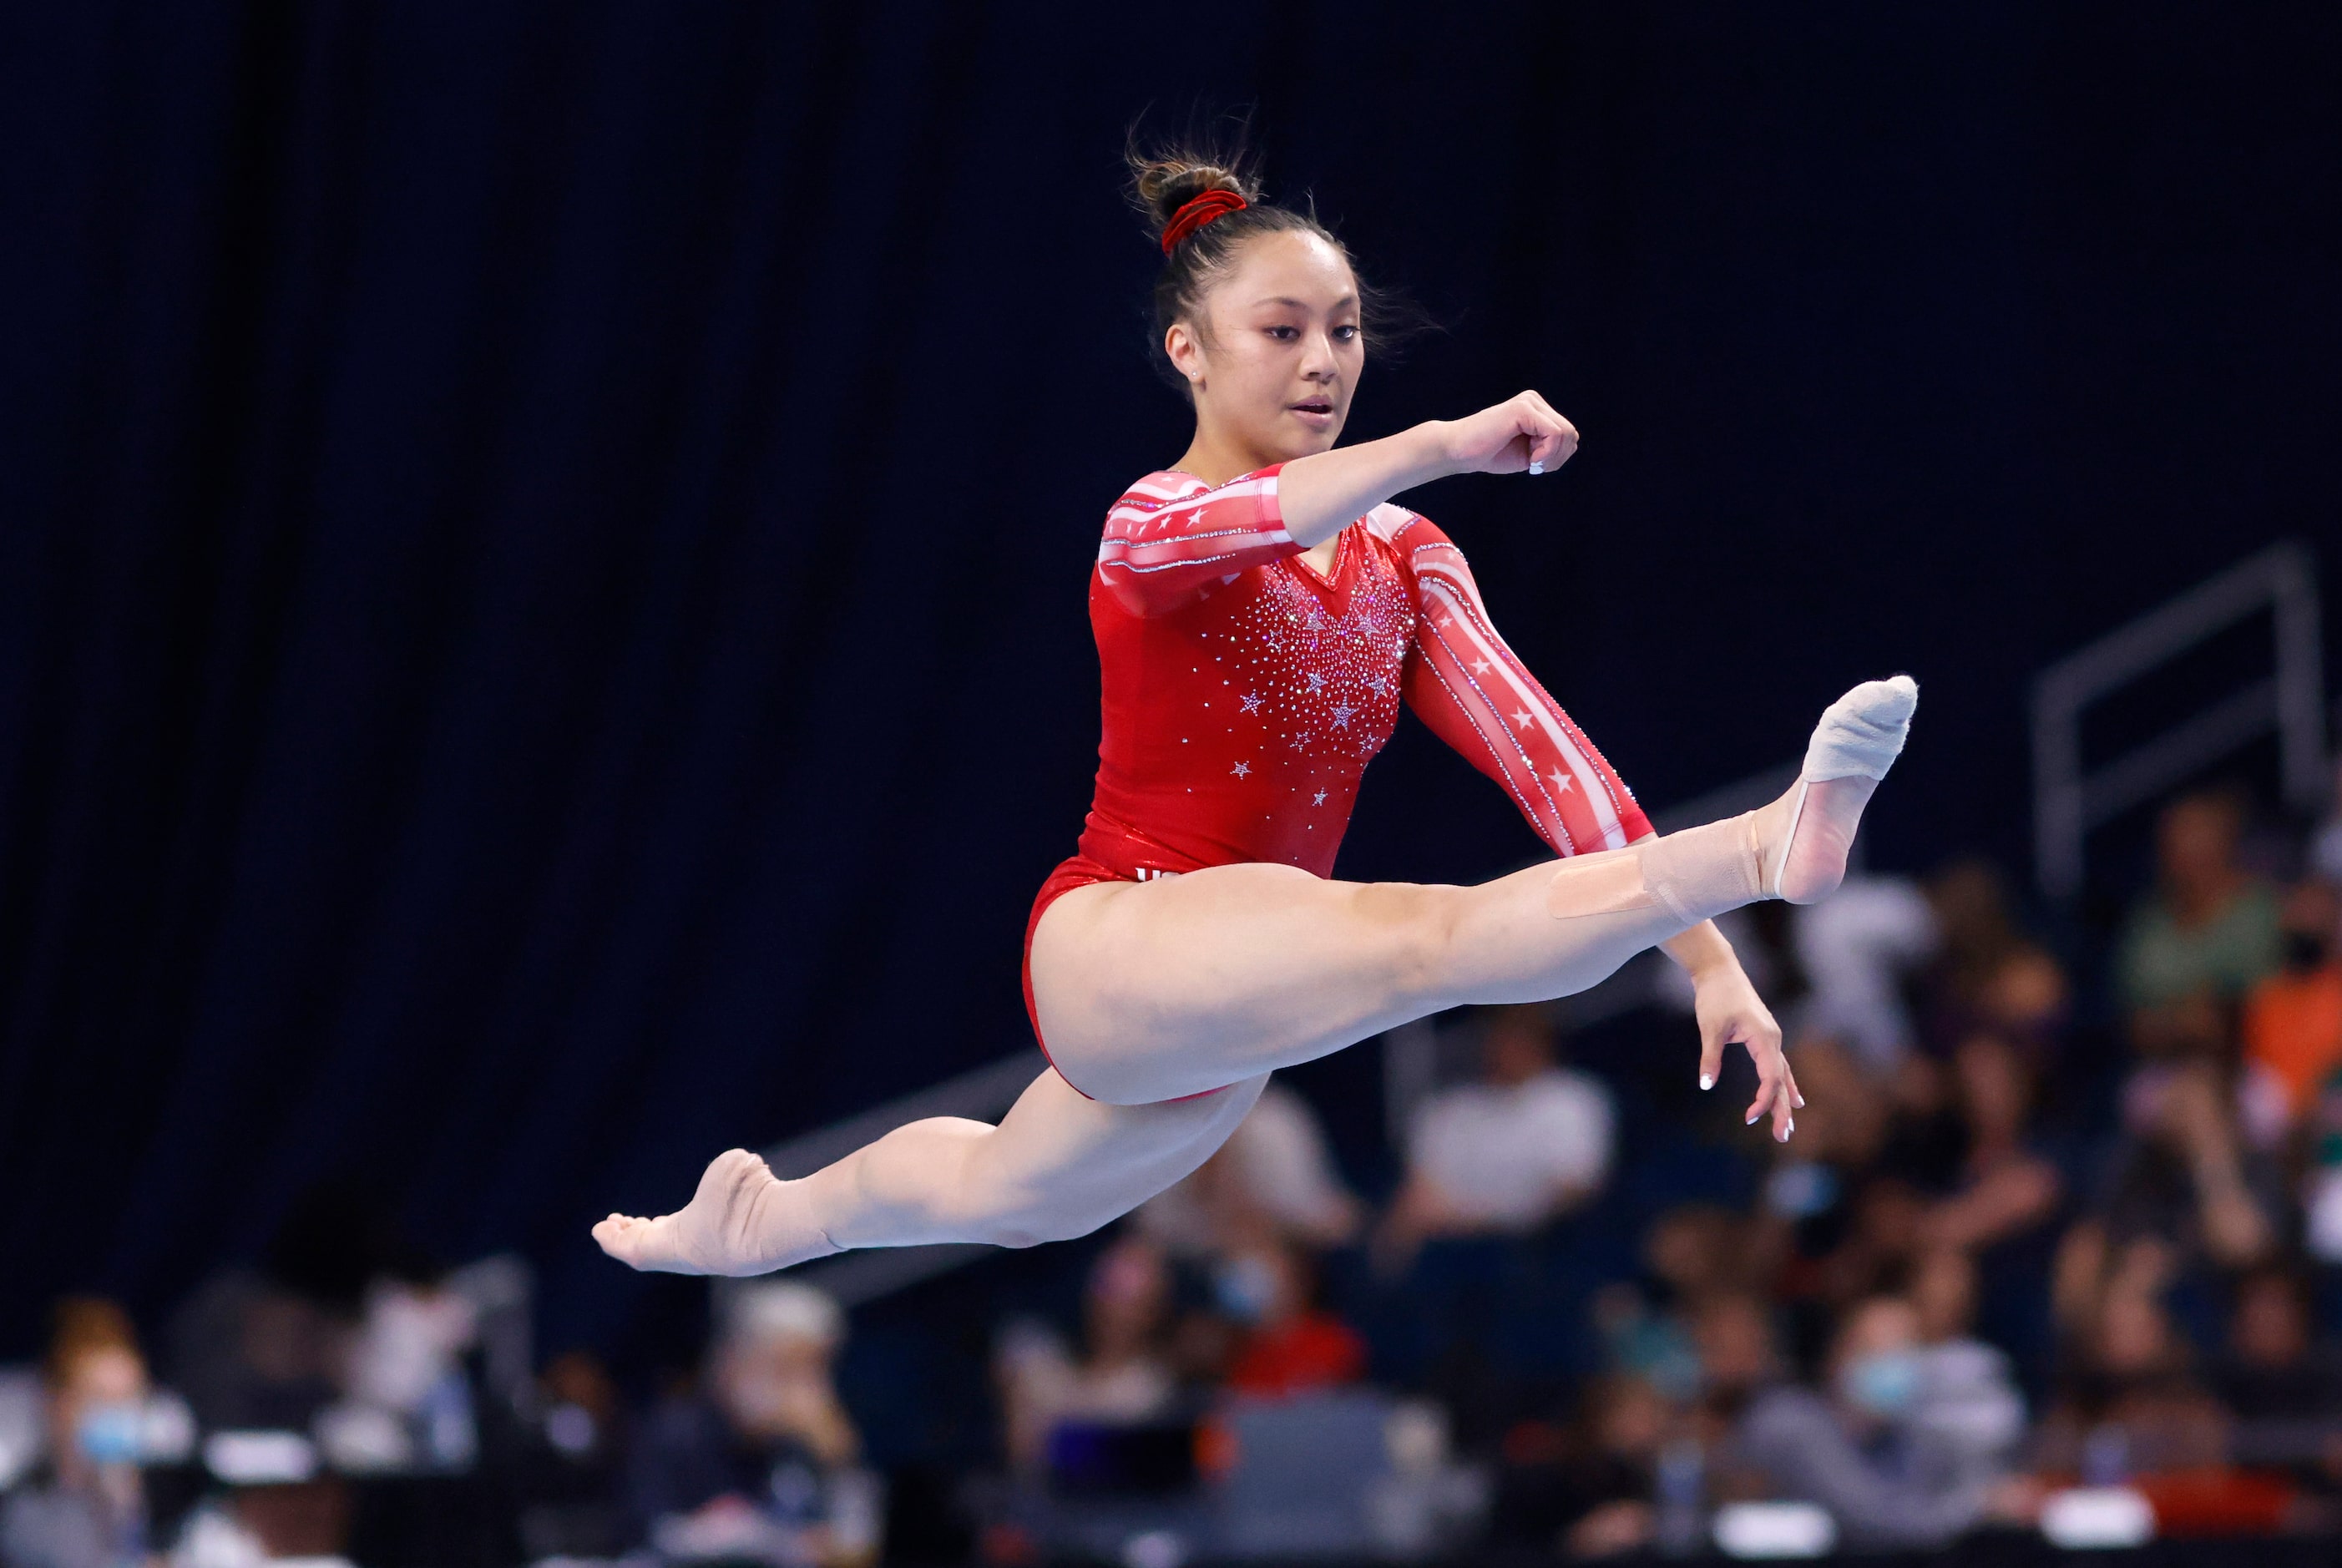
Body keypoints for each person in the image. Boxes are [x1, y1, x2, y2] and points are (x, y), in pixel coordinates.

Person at [594, 139, 1918, 1281]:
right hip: (1121, 940)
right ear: (1190, 350)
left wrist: (1710, 965)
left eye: (1341, 330)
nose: (1323, 361)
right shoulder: (1151, 523)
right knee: (1423, 940)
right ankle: (1767, 844)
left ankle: (760, 1221)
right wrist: (1445, 441)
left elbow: (1550, 761)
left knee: (1007, 1198)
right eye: (1280, 331)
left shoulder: (1405, 559)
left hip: (1240, 995)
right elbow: (1264, 516)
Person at [1734, 1296, 2031, 1550]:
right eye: (1878, 1351)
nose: (1895, 1364)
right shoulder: (1791, 1421)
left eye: (1906, 1351)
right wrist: (1976, 1507)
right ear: (1839, 1357)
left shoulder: (1901, 1431)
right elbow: (1871, 1522)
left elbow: (1935, 1494)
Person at [629, 1282, 879, 1567]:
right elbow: (647, 1537)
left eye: (817, 1370)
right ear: (733, 1362)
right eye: (787, 1370)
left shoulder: (807, 1445)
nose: (805, 1391)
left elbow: (857, 1551)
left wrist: (843, 1461)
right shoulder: (675, 1431)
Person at [1376, 1005, 1614, 1266]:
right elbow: (1419, 1197)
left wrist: (1497, 1218)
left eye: (1519, 1036)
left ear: (1543, 1042)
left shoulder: (1571, 1099)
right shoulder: (1450, 1110)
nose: (1506, 1047)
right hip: (1457, 1246)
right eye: (1500, 1036)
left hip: (1538, 1245)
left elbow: (1574, 1188)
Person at [0, 1301, 154, 1568]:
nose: (116, 1414)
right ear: (58, 1404)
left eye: (128, 1399)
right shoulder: (17, 1495)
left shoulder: (165, 1490)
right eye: (100, 1399)